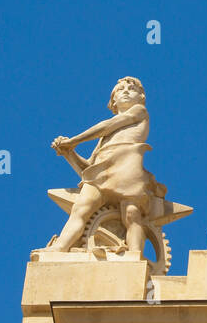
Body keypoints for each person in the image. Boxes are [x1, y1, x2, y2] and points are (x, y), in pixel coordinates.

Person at [49, 77, 158, 257]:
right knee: (80, 209)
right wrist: (69, 153)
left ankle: (135, 254)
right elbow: (87, 169)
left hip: (127, 169)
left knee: (131, 213)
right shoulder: (103, 140)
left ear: (141, 97)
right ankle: (59, 248)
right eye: (120, 89)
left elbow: (106, 125)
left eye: (131, 89)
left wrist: (74, 141)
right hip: (102, 173)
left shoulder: (139, 112)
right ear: (113, 101)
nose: (125, 91)